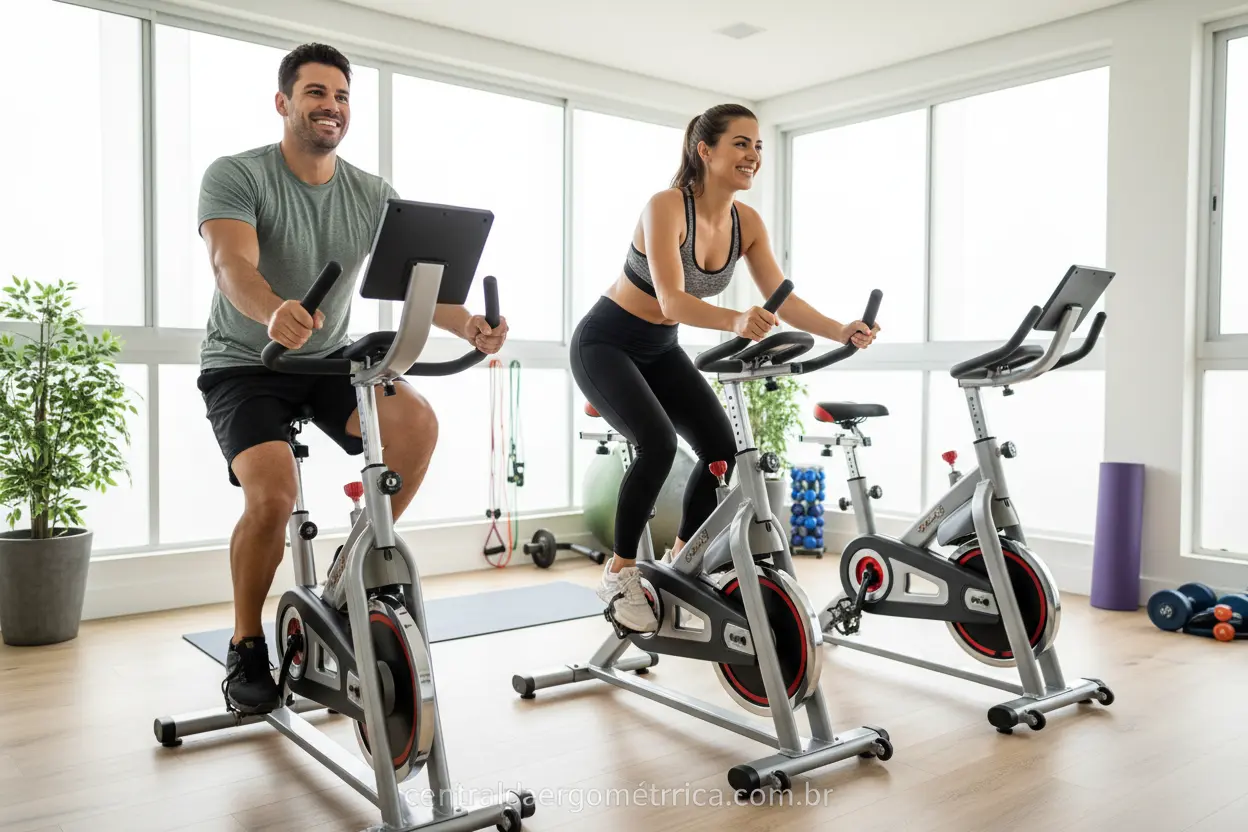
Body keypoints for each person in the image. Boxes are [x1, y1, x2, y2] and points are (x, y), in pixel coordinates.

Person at [196, 43, 508, 716]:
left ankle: (352, 569)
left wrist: (469, 328)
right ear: (283, 103)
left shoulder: (371, 193)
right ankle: (247, 642)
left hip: (327, 360)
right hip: (244, 365)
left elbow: (418, 289)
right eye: (315, 93)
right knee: (273, 498)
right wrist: (272, 309)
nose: (330, 107)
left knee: (416, 423)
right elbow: (231, 264)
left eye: (340, 96)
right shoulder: (237, 175)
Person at [573, 103, 880, 633]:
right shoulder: (667, 206)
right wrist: (736, 318)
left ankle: (678, 563)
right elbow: (671, 300)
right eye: (741, 143)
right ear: (705, 150)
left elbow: (784, 300)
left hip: (660, 348)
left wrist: (841, 329)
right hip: (606, 341)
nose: (753, 156)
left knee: (720, 448)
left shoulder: (747, 224)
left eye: (758, 146)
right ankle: (619, 573)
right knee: (659, 443)